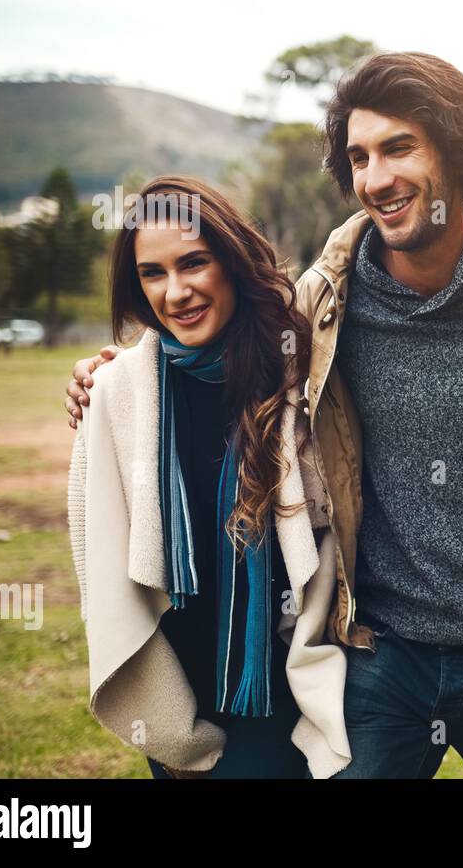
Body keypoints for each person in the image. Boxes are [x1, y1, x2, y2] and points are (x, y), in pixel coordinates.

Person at [66, 53, 463, 778]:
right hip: (378, 658)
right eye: (358, 156)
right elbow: (219, 337)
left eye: (398, 148)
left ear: (456, 148)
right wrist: (118, 372)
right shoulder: (321, 306)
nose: (375, 178)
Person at [67, 176, 349, 778]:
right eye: (153, 273)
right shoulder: (119, 396)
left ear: (232, 262)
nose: (177, 292)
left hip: (282, 694)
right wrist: (170, 727)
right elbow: (102, 566)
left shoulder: (297, 372)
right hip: (176, 695)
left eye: (194, 262)